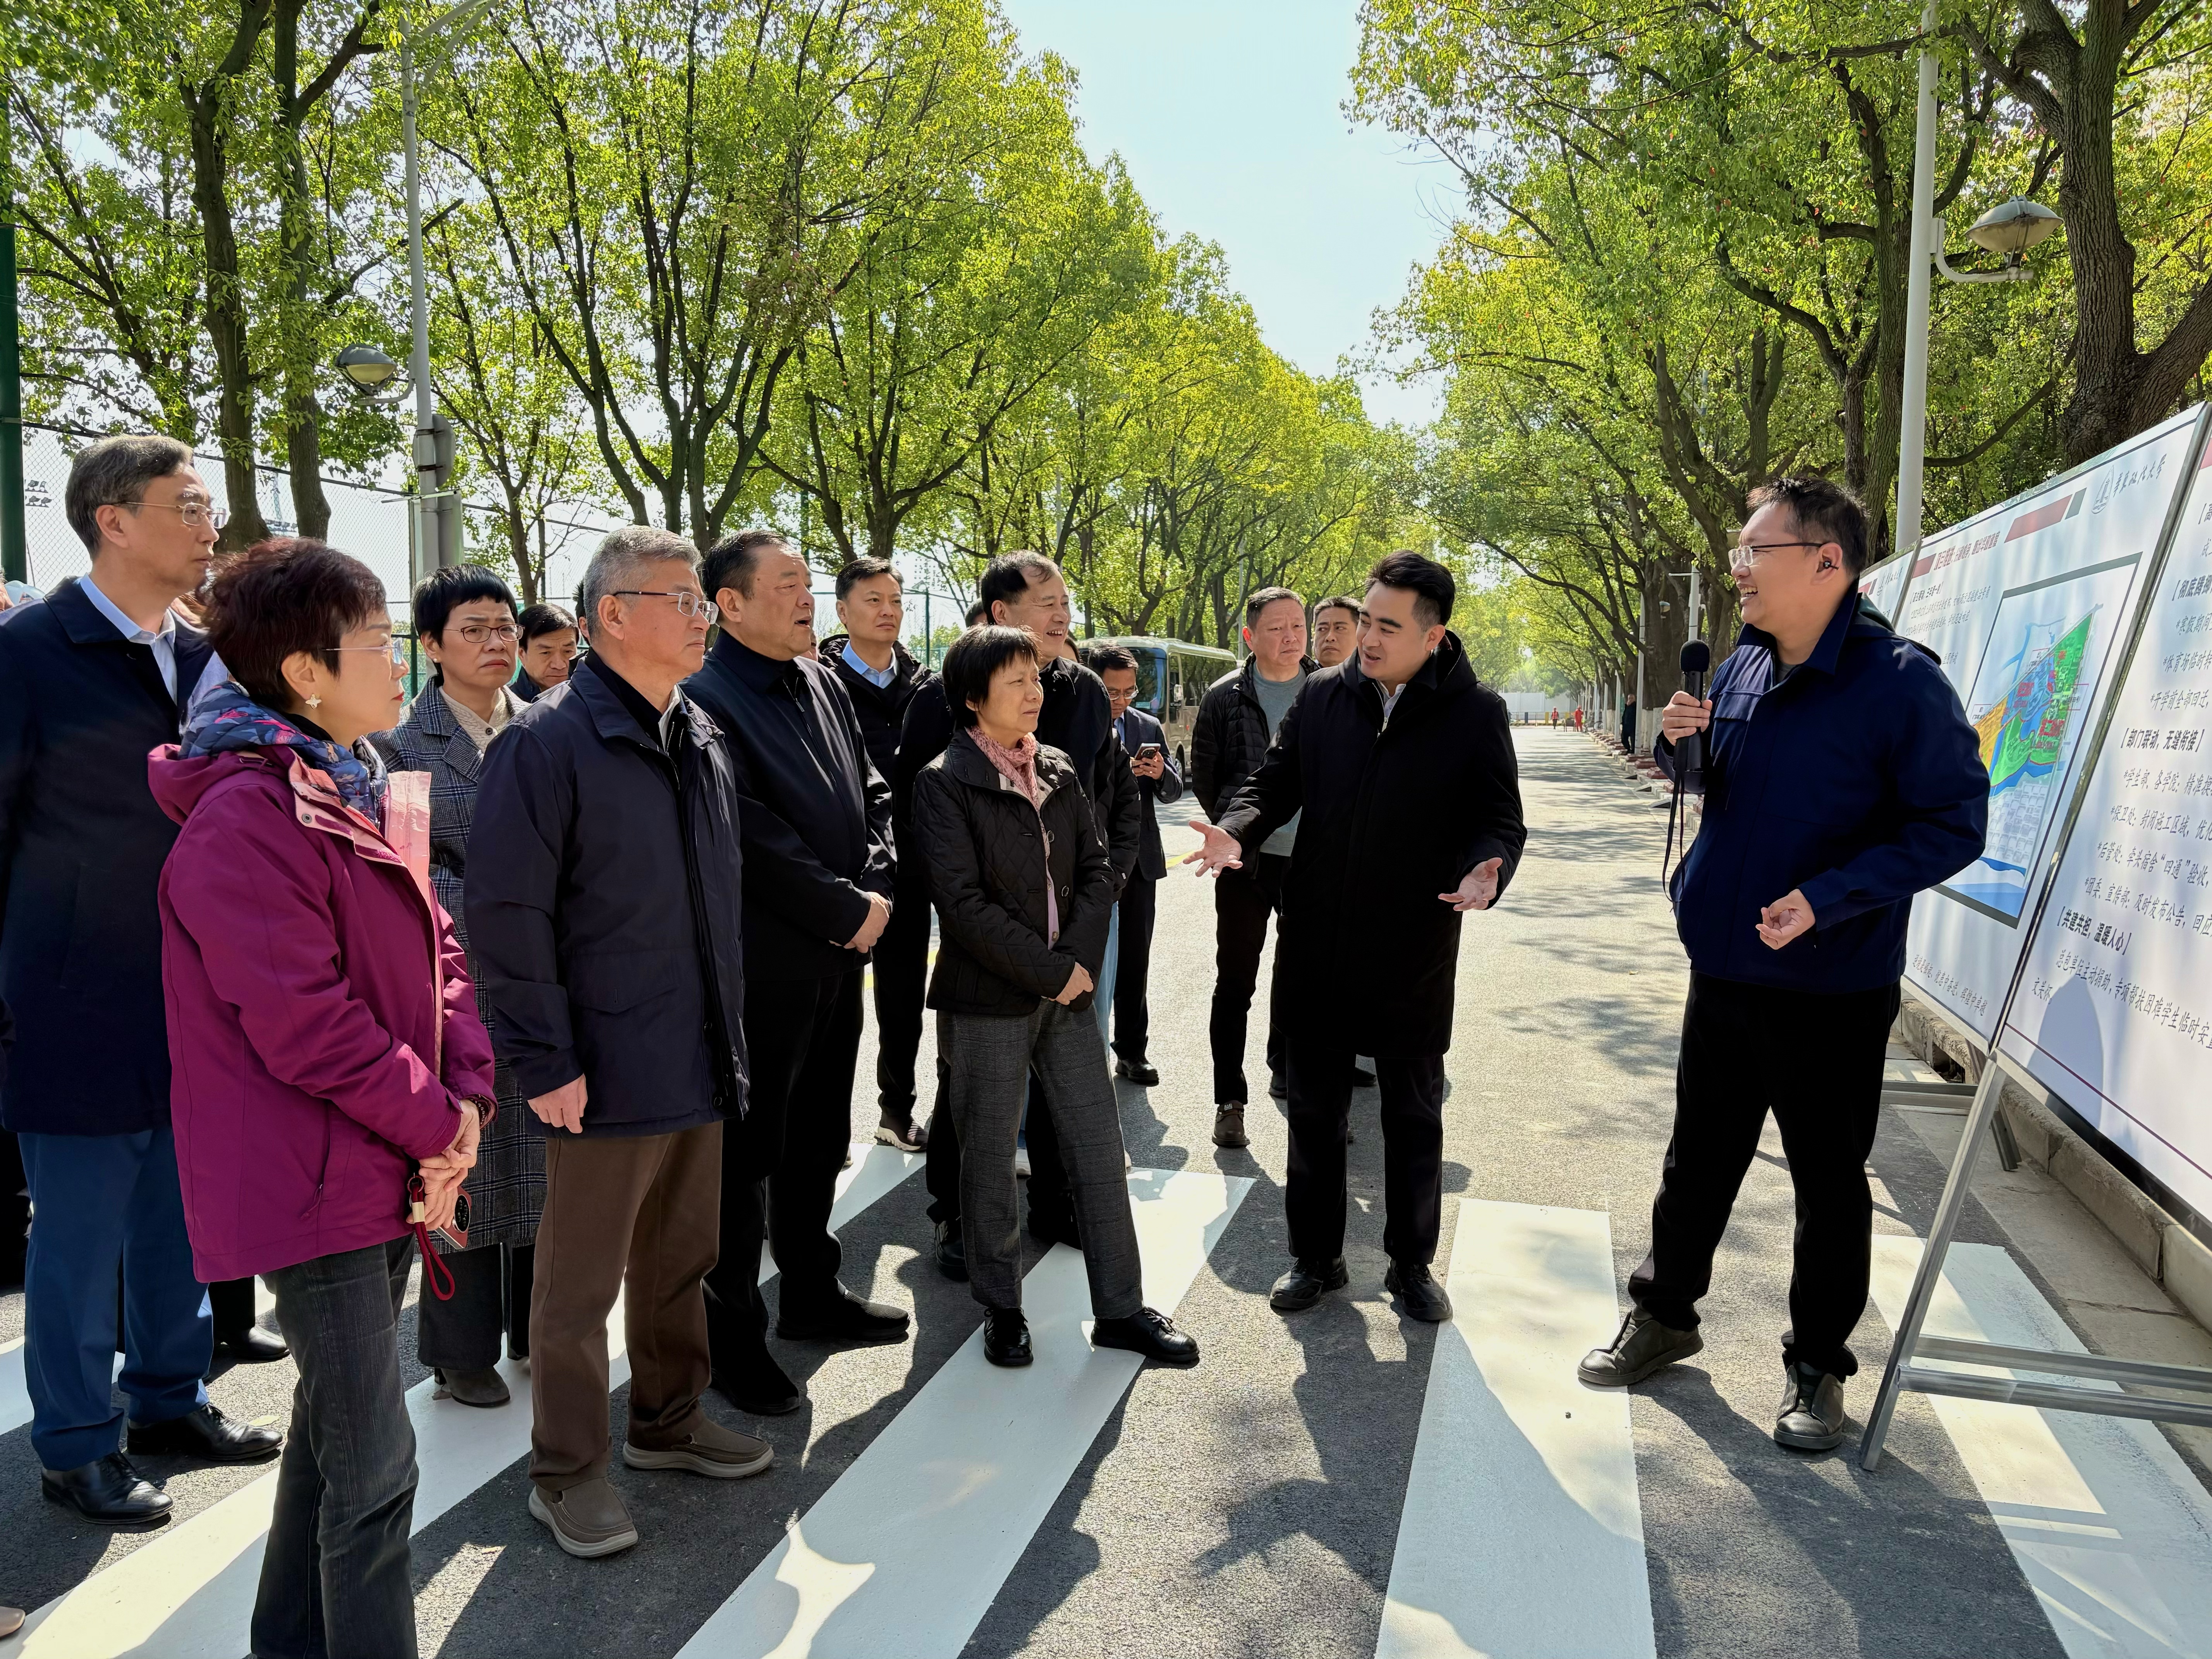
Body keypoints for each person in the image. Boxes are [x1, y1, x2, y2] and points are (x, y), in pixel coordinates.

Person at [1577, 477, 1988, 1454]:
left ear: (1826, 562)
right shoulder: (1744, 669)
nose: (1738, 572)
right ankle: (1665, 1313)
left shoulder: (1900, 682)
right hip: (1723, 968)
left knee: (1828, 1183)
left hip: (1832, 987)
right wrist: (1685, 751)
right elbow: (1719, 791)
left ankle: (1818, 1368)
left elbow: (1954, 824)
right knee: (1698, 1160)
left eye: (1755, 553)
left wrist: (1831, 897)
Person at [151, 536, 491, 1658]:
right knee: (375, 1469)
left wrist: (467, 1096)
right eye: (380, 641)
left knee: (334, 1439)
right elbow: (307, 1024)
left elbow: (441, 950)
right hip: (311, 1176)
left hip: (385, 1155)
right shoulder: (244, 816)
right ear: (304, 670)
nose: (398, 661)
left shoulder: (358, 780)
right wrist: (440, 1119)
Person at [467, 526, 770, 1561]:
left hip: (694, 1055)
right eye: (681, 599)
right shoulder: (546, 743)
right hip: (598, 1068)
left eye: (701, 600)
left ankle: (667, 1420)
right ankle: (566, 1470)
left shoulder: (700, 731)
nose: (701, 614)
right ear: (610, 615)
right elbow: (506, 917)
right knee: (577, 1288)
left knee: (682, 1256)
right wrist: (545, 1062)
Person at [0, 434, 281, 1527]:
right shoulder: (30, 654)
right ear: (113, 520)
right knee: (76, 1236)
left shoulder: (206, 657)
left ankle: (171, 1396)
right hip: (72, 999)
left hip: (200, 996)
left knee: (181, 1212)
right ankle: (75, 1442)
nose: (209, 525)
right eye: (189, 504)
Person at [1189, 552, 1526, 1324]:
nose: (1365, 638)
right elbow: (1272, 784)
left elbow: (1498, 816)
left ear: (1434, 636)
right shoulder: (1320, 699)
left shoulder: (1476, 715)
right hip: (1316, 942)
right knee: (1312, 1111)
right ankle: (1317, 1259)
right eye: (1364, 620)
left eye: (1386, 626)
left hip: (1413, 950)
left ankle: (1411, 1265)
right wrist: (1236, 830)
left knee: (1413, 1115)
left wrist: (1489, 867)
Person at [911, 625, 1197, 1370]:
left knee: (1098, 1147)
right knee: (989, 1160)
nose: (1035, 692)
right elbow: (963, 905)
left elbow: (1099, 868)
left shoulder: (1061, 767)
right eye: (1015, 682)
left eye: (1036, 678)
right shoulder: (943, 780)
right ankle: (1001, 1307)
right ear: (974, 700)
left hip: (1065, 990)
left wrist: (1074, 961)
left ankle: (1123, 1307)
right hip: (989, 997)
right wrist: (1050, 969)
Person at [687, 530, 907, 1417]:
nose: (805, 597)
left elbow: (873, 789)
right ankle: (731, 1337)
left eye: (807, 583)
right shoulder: (703, 700)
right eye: (784, 585)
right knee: (747, 1160)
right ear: (729, 604)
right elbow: (746, 834)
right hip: (763, 968)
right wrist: (844, 907)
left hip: (840, 956)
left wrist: (880, 886)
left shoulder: (821, 679)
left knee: (820, 1134)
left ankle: (812, 1294)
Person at [897, 554, 1139, 1274]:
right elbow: (923, 823)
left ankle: (1060, 1204)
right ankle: (958, 1219)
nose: (1062, 613)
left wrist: (1101, 898)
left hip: (1073, 928)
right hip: (989, 944)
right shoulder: (942, 696)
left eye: (1066, 598)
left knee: (1076, 1093)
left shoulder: (1087, 691)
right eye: (1044, 601)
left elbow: (1110, 794)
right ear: (1001, 613)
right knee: (975, 1096)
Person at [371, 566, 541, 1409]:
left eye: (506, 628)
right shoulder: (400, 751)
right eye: (473, 629)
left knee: (547, 1152)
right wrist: (514, 905)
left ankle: (539, 1330)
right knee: (464, 1162)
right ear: (430, 646)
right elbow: (410, 883)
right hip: (458, 987)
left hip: (550, 978)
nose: (496, 643)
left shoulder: (550, 731)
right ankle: (461, 1352)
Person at [1190, 586, 1314, 1150]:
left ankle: (1299, 1081)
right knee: (1236, 980)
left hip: (1314, 860)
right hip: (1245, 863)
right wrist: (1231, 835)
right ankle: (1229, 1100)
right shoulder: (1223, 698)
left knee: (1308, 978)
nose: (1290, 637)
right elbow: (1207, 777)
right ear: (1250, 636)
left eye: (1298, 626)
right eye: (1277, 628)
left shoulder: (1330, 694)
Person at [822, 555, 936, 1153]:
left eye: (894, 599)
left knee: (902, 998)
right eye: (873, 600)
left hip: (911, 866)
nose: (888, 610)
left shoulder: (927, 685)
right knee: (836, 1006)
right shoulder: (815, 683)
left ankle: (896, 1109)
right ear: (842, 611)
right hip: (840, 872)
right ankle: (828, 1126)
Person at [1087, 645, 1182, 1085]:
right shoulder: (1079, 722)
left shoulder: (1146, 725)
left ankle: (1131, 1051)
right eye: (1111, 692)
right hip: (1091, 859)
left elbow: (1174, 791)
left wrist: (1161, 773)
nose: (1121, 701)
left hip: (1140, 860)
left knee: (1134, 960)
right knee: (1091, 959)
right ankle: (1084, 1053)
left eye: (1129, 691)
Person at [511, 602, 579, 702]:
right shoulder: (507, 706)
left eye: (568, 651)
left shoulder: (593, 698)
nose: (559, 665)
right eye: (546, 653)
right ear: (521, 654)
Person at [1310, 594, 1360, 670]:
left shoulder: (1378, 679)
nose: (1330, 637)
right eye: (1322, 629)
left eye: (1340, 628)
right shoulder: (1300, 679)